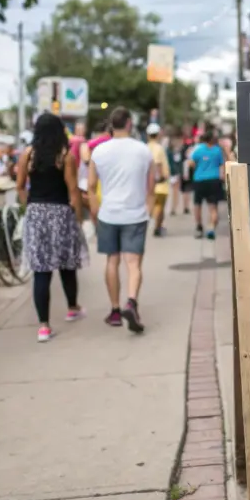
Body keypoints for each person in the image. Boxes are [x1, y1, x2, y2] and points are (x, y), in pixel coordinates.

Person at [16, 113, 85, 342]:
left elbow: (20, 186)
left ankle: (43, 326)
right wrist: (77, 217)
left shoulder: (28, 154)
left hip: (36, 213)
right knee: (67, 263)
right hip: (60, 212)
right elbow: (73, 189)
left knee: (41, 271)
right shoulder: (65, 156)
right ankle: (72, 308)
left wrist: (30, 204)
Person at [89, 106, 155, 333]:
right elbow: (151, 187)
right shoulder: (144, 150)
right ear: (129, 123)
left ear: (111, 125)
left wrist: (96, 212)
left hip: (108, 213)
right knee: (133, 263)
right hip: (135, 214)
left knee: (112, 261)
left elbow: (89, 186)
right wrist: (149, 209)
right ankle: (131, 302)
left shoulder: (98, 151)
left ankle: (115, 311)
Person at [189, 129, 227, 240]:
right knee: (213, 207)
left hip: (199, 179)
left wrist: (199, 166)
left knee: (197, 205)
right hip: (214, 180)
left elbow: (191, 163)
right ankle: (211, 227)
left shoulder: (198, 149)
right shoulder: (217, 150)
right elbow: (222, 165)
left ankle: (199, 227)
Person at [146, 123, 170, 236]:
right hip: (159, 183)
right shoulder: (158, 148)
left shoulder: (145, 147)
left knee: (152, 206)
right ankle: (157, 227)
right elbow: (157, 163)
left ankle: (157, 226)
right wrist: (159, 178)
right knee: (159, 206)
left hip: (148, 183)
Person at [166, 132, 183, 215]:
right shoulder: (169, 151)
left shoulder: (176, 151)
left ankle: (173, 208)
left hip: (175, 173)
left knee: (175, 192)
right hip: (172, 173)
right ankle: (172, 208)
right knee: (173, 192)